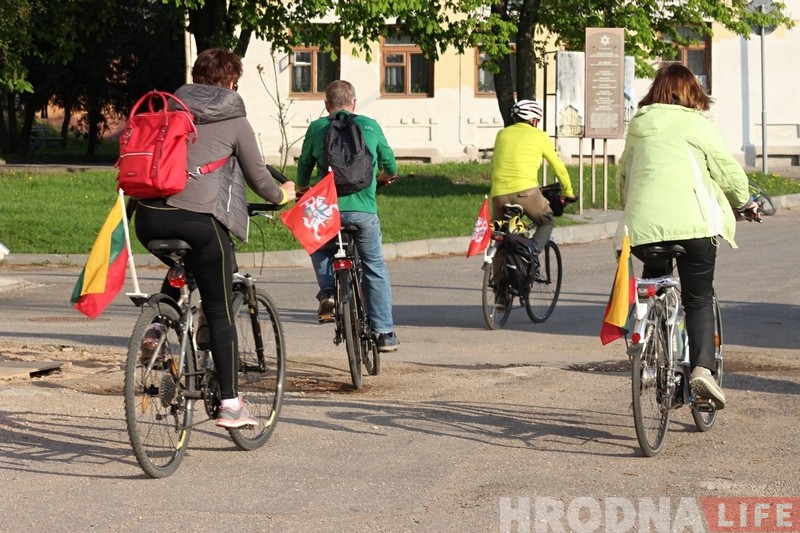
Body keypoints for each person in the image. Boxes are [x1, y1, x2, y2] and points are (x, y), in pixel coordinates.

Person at [133, 48, 295, 428]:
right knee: (220, 309)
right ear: (232, 82)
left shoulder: (168, 110)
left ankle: (157, 324)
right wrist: (284, 193)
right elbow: (260, 179)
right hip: (200, 224)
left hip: (149, 219)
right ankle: (231, 404)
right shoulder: (235, 118)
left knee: (184, 263)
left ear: (195, 77)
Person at [617, 62, 759, 409]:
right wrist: (745, 202)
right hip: (695, 228)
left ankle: (649, 339)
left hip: (643, 229)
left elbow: (624, 176)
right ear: (692, 93)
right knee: (698, 299)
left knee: (656, 283)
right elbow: (727, 172)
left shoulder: (638, 125)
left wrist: (634, 207)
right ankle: (701, 371)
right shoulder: (697, 124)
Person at [296, 80, 400, 353]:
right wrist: (382, 179)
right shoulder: (370, 126)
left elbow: (304, 165)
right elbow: (391, 165)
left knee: (316, 243)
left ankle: (328, 291)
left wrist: (302, 188)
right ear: (354, 103)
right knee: (374, 266)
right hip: (363, 212)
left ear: (326, 105)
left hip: (327, 211)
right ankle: (384, 333)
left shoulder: (318, 128)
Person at [490, 99, 576, 256]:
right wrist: (568, 192)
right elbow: (558, 167)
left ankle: (497, 278)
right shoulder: (540, 136)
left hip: (498, 195)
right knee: (546, 221)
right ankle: (531, 252)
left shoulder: (501, 134)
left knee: (502, 235)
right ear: (533, 120)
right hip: (526, 193)